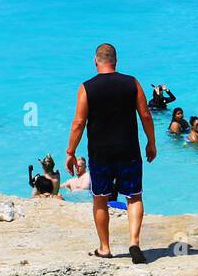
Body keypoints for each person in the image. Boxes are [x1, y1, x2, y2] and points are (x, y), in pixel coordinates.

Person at [65, 43, 157, 262]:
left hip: (100, 152)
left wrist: (71, 151)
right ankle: (134, 243)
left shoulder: (87, 87)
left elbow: (79, 122)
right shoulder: (132, 82)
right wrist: (151, 142)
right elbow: (145, 115)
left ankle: (105, 247)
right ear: (116, 62)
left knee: (100, 198)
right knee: (134, 196)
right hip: (129, 149)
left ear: (95, 61)